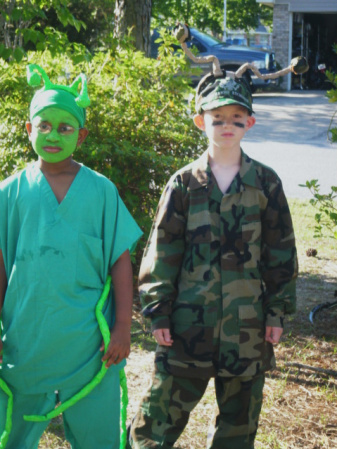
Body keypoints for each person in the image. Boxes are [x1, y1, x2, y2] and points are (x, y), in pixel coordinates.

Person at [127, 74, 298, 449]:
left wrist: (277, 314)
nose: (227, 126)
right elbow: (162, 250)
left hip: (247, 330)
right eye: (217, 117)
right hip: (187, 328)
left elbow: (281, 253)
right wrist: (158, 312)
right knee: (155, 426)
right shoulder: (184, 184)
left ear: (249, 123)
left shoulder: (266, 184)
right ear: (200, 121)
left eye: (237, 118)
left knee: (237, 430)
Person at [0, 64, 142, 449]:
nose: (52, 135)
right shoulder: (9, 193)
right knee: (11, 428)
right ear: (28, 129)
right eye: (43, 125)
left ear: (81, 134)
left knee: (96, 432)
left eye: (65, 127)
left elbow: (120, 260)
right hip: (26, 338)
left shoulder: (100, 192)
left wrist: (124, 327)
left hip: (89, 345)